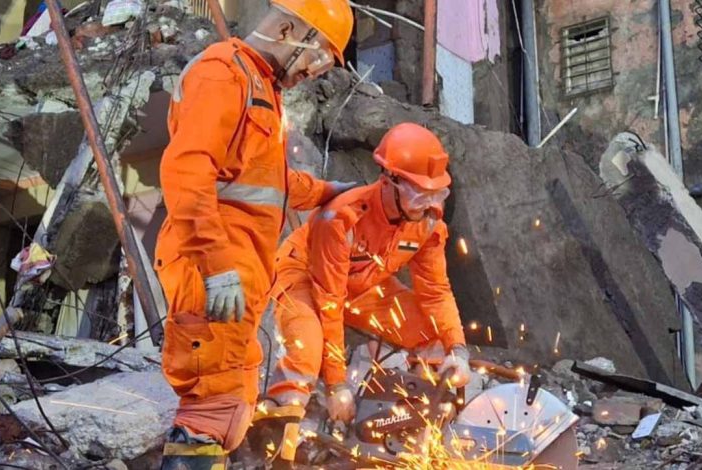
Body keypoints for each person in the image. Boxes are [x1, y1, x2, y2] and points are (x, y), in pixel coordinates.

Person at [155, 1, 354, 467]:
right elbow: (186, 172)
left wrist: (328, 191)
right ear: (287, 30)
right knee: (211, 408)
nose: (314, 72)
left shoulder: (261, 86)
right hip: (213, 272)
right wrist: (218, 267)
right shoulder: (223, 74)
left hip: (237, 280)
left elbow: (268, 183)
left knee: (233, 406)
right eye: (317, 57)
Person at [252, 123, 471, 464]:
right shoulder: (340, 217)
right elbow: (329, 299)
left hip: (362, 284)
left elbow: (436, 292)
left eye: (436, 194)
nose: (428, 205)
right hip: (304, 276)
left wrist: (458, 349)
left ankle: (417, 430)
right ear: (388, 180)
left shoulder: (428, 224)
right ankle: (277, 440)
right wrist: (337, 386)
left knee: (434, 338)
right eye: (419, 195)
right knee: (307, 350)